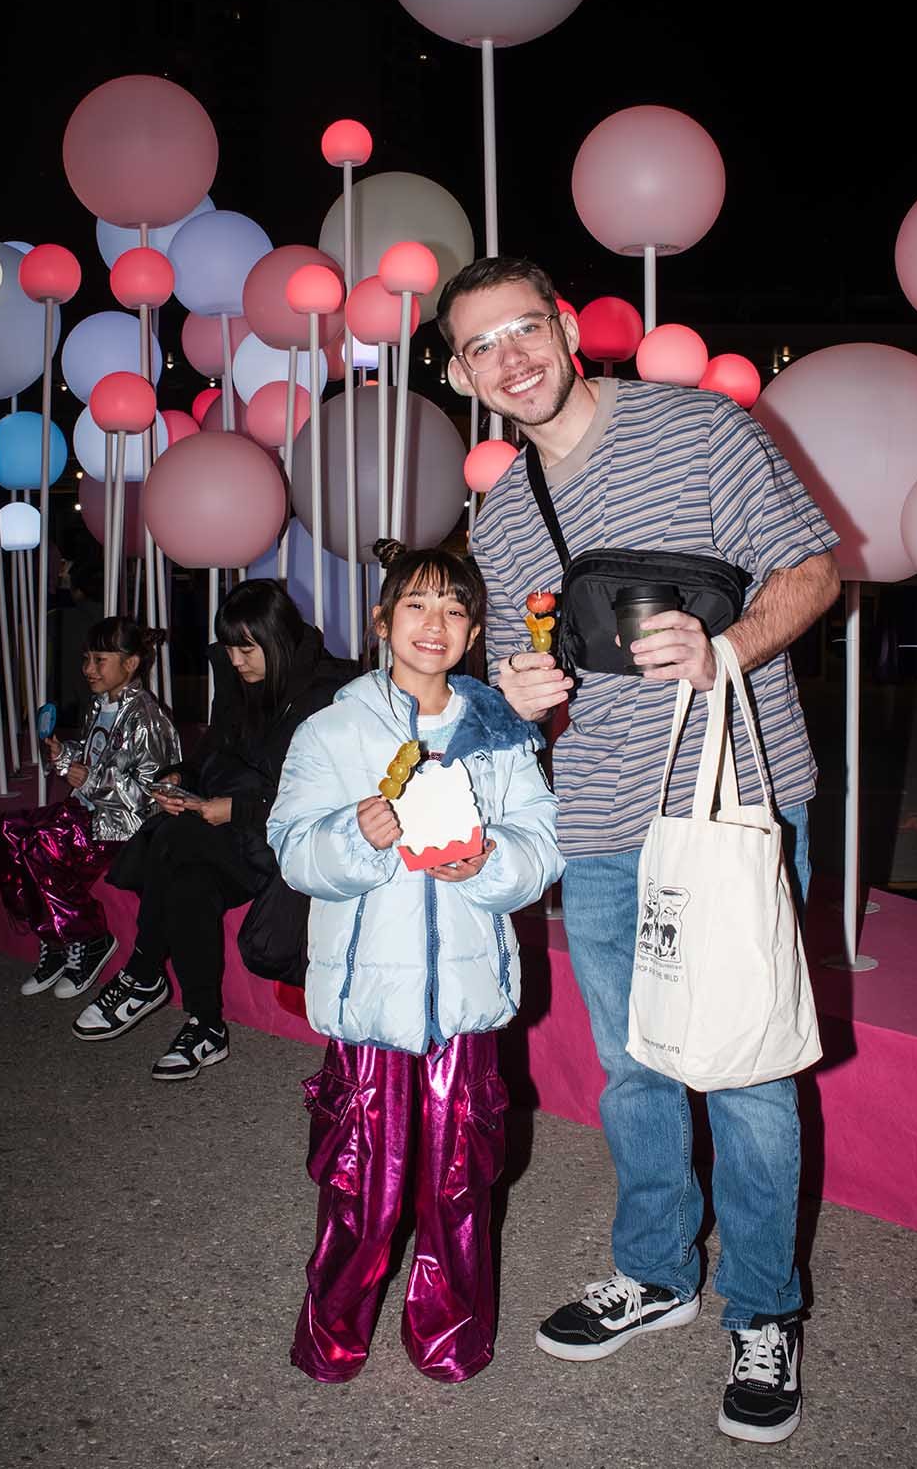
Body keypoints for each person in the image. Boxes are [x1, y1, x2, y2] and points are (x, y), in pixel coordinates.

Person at [438, 256, 841, 1444]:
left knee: (753, 1071)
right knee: (630, 1065)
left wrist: (724, 649)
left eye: (524, 329)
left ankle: (763, 1307)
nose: (510, 358)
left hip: (738, 793)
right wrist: (517, 684)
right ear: (461, 374)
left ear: (566, 327)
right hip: (602, 814)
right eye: (479, 347)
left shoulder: (699, 426)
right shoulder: (501, 509)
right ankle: (656, 1268)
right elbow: (530, 672)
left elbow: (812, 571)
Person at [267, 541, 563, 1384]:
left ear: (472, 633)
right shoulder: (332, 729)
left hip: (464, 1004)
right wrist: (352, 837)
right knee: (360, 1184)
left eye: (454, 610)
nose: (434, 624)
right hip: (369, 1009)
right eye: (417, 606)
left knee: (461, 1183)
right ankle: (331, 1335)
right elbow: (291, 849)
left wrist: (490, 862)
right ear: (381, 621)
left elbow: (540, 845)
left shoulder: (497, 734)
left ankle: (451, 1336)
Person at [73, 579, 353, 1080]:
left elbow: (329, 796)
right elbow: (217, 746)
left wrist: (237, 809)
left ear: (278, 640)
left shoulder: (330, 692)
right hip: (227, 827)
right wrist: (181, 778)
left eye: (247, 648)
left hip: (284, 837)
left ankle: (143, 974)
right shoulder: (236, 677)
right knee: (189, 873)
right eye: (229, 648)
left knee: (178, 839)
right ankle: (205, 1024)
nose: (237, 659)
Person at [0, 617, 178, 1001]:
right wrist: (65, 756)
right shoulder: (100, 704)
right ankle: (55, 936)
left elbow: (152, 793)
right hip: (86, 812)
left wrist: (90, 779)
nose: (88, 669)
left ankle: (89, 938)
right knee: (7, 832)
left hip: (120, 827)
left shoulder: (147, 717)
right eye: (86, 659)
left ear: (131, 663)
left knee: (42, 849)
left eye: (99, 660)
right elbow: (95, 754)